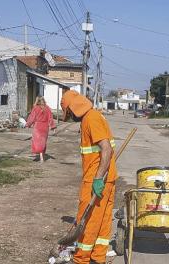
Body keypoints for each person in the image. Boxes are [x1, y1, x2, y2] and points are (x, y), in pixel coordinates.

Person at [60, 90, 116, 264]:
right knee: (103, 220)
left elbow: (106, 148)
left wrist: (98, 179)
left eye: (68, 113)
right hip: (108, 178)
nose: (69, 117)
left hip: (96, 180)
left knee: (87, 220)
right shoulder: (93, 117)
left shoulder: (91, 119)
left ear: (73, 108)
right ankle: (98, 257)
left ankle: (81, 259)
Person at [26, 96, 56, 162]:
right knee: (43, 142)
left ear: (37, 101)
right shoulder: (47, 108)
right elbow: (50, 118)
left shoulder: (35, 108)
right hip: (45, 127)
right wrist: (53, 126)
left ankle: (40, 156)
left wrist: (28, 124)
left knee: (36, 142)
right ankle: (42, 157)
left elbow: (32, 117)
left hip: (37, 127)